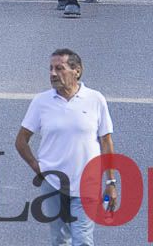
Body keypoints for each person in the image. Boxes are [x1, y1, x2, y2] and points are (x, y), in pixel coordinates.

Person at [16, 49, 117, 246]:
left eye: (59, 68)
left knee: (83, 240)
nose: (53, 74)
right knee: (60, 239)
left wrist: (111, 182)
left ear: (76, 71)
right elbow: (21, 140)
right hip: (53, 183)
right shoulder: (41, 102)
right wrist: (38, 168)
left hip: (87, 182)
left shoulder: (95, 99)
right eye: (51, 69)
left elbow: (106, 142)